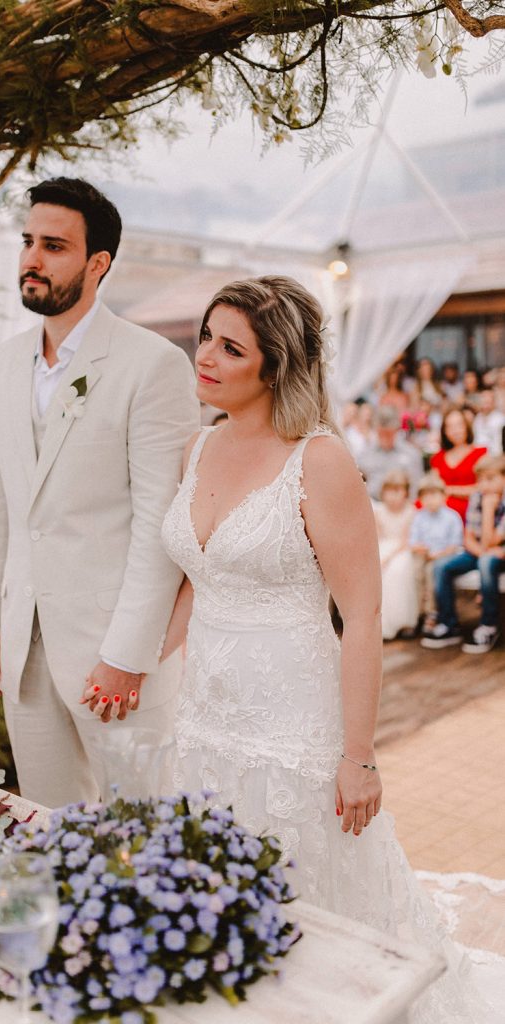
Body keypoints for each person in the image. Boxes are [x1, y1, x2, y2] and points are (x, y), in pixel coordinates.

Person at [154, 275, 500, 1023]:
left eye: (229, 347)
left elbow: (364, 612)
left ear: (273, 367)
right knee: (224, 895)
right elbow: (193, 582)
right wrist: (141, 668)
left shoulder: (319, 461)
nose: (204, 357)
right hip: (206, 712)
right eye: (206, 338)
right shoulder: (196, 446)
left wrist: (357, 755)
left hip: (294, 727)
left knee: (318, 907)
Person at [0, 177, 199, 807]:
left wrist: (130, 652)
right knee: (51, 829)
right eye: (27, 242)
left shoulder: (151, 364)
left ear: (98, 263)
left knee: (139, 830)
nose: (32, 259)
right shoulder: (5, 361)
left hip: (113, 656)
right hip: (23, 648)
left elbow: (161, 525)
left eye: (54, 246)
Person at [421, 453, 505, 654]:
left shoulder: (489, 501)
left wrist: (488, 508)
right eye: (480, 480)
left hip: (499, 554)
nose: (483, 485)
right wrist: (482, 552)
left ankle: (488, 625)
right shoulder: (478, 496)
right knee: (441, 566)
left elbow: (493, 539)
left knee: (486, 563)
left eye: (490, 479)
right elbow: (469, 538)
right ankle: (449, 624)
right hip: (481, 552)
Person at [409, 474, 464, 631]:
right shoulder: (419, 517)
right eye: (426, 496)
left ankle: (431, 612)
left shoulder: (452, 517)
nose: (430, 500)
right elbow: (413, 541)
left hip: (443, 556)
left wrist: (437, 555)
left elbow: (455, 545)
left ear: (444, 495)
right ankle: (418, 610)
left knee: (430, 573)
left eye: (434, 495)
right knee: (415, 572)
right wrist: (421, 548)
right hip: (423, 554)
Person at [373, 470, 418, 640]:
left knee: (398, 571)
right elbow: (377, 537)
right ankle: (379, 622)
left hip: (401, 549)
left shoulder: (411, 511)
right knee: (377, 571)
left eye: (398, 491)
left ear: (406, 492)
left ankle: (402, 621)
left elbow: (406, 540)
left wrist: (389, 557)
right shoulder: (379, 511)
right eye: (389, 491)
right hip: (382, 546)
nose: (393, 496)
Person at [430, 406, 487, 522]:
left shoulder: (480, 454)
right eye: (450, 427)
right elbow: (433, 486)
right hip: (439, 506)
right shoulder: (437, 458)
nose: (455, 431)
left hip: (470, 508)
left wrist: (450, 490)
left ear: (466, 426)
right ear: (444, 431)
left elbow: (483, 488)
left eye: (459, 425)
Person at [357, 405, 423, 500]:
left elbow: (415, 489)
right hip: (372, 506)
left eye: (388, 433)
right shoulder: (365, 454)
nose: (384, 437)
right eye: (381, 432)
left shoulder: (411, 454)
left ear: (396, 430)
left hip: (402, 508)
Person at [472, 388, 505, 454]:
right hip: (477, 454)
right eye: (483, 398)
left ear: (494, 402)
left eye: (488, 400)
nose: (485, 402)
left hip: (494, 456)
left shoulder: (501, 420)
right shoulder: (477, 418)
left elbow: (498, 446)